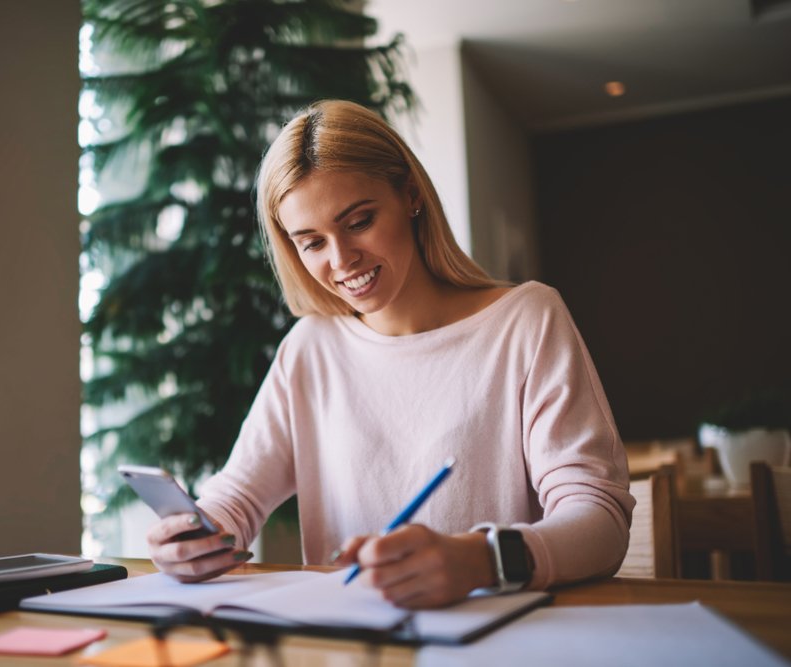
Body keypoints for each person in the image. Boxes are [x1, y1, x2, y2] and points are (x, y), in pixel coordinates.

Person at [146, 99, 634, 609]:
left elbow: (599, 519)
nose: (341, 260)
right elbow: (238, 496)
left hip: (496, 638)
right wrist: (195, 538)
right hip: (353, 643)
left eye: (358, 221)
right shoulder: (312, 349)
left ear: (411, 194)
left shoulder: (526, 319)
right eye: (311, 243)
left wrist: (483, 559)